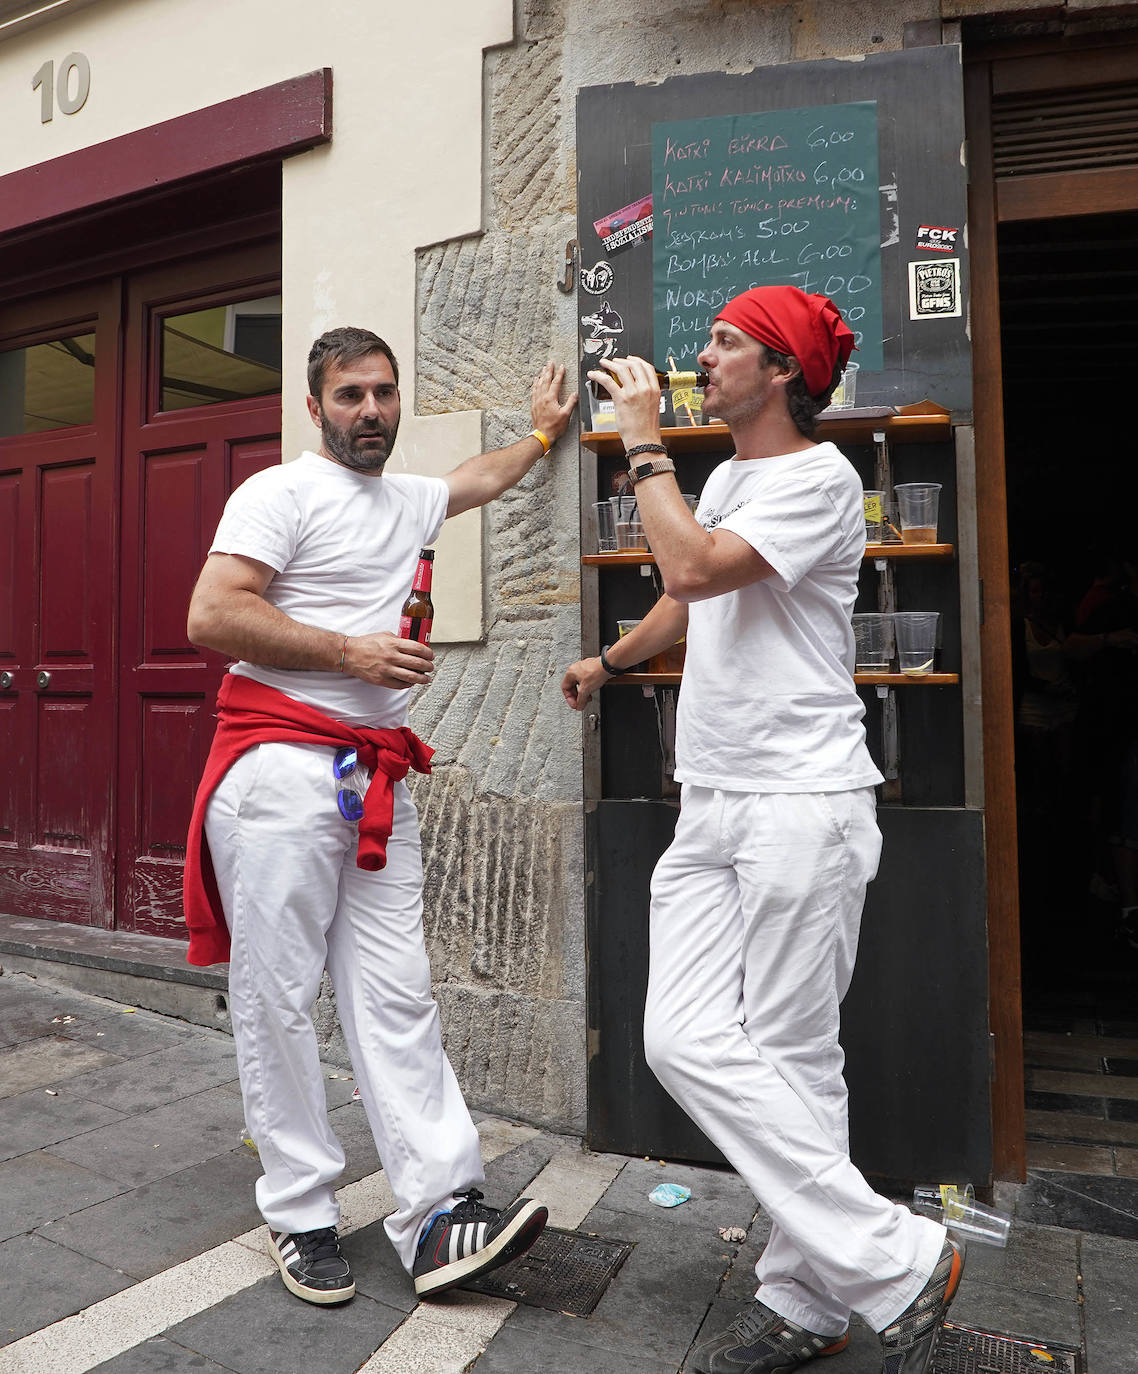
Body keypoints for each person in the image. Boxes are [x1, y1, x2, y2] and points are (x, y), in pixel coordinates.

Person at [561, 285, 962, 1374]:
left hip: (801, 801)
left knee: (792, 1056)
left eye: (726, 342)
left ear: (781, 369)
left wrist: (643, 445)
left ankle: (805, 1298)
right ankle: (890, 1254)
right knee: (679, 1037)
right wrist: (612, 662)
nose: (702, 356)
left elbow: (690, 562)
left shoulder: (823, 479)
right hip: (716, 800)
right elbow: (690, 599)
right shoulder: (733, 476)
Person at [184, 326, 576, 1307]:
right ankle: (301, 1212)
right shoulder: (278, 494)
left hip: (372, 789)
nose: (370, 411)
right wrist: (350, 655)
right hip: (279, 777)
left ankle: (439, 1213)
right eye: (350, 396)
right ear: (315, 408)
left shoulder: (411, 500)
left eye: (383, 393)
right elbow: (211, 615)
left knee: (398, 993)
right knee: (276, 998)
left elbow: (474, 479)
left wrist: (537, 437)